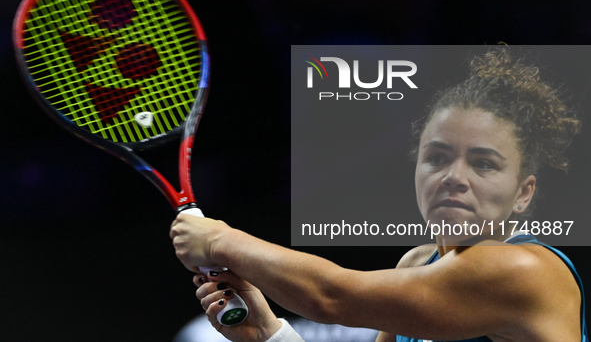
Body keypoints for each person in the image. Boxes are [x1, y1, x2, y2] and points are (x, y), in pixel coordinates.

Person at [170, 49, 588, 342]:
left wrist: (221, 239)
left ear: (524, 193)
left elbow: (334, 297)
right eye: (438, 157)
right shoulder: (418, 263)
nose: (454, 177)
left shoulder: (523, 270)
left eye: (484, 163)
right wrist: (267, 333)